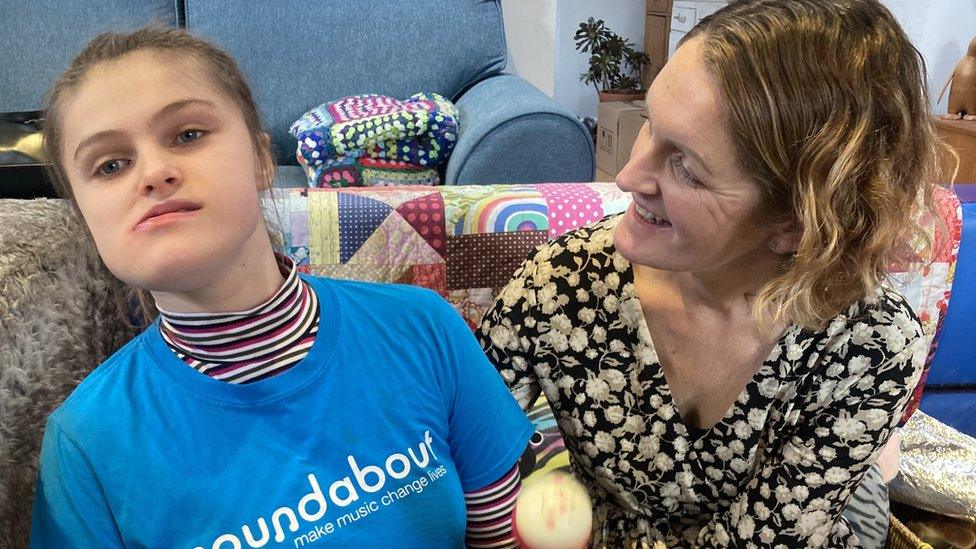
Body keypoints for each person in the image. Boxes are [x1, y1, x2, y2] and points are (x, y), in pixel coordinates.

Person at [30, 26, 531, 548]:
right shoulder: (86, 444)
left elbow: (499, 536)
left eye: (188, 135)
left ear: (262, 160)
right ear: (86, 217)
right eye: (110, 165)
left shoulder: (425, 328)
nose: (153, 173)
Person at [478, 0, 951, 547]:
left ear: (795, 223)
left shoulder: (871, 343)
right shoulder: (561, 286)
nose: (629, 177)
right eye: (650, 122)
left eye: (686, 166)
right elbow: (455, 446)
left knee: (869, 499)